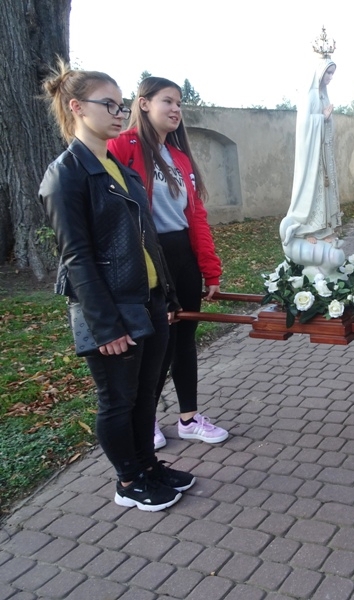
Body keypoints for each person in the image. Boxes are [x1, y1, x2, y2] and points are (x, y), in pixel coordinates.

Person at [39, 60, 195, 511]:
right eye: (108, 104)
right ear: (76, 107)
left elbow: (147, 242)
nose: (119, 112)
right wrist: (105, 326)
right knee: (118, 400)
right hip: (111, 308)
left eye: (121, 104)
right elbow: (76, 258)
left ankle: (148, 466)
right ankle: (128, 481)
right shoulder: (66, 174)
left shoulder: (120, 170)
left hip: (148, 301)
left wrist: (167, 296)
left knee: (146, 395)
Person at [108, 77, 228, 448]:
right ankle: (147, 421)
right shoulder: (122, 146)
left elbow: (196, 217)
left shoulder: (178, 157)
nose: (176, 109)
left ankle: (189, 418)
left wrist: (209, 269)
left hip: (182, 258)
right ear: (144, 103)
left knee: (184, 341)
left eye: (179, 103)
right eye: (168, 101)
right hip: (147, 257)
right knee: (156, 344)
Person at [279, 58, 345, 277]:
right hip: (312, 158)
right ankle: (309, 229)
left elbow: (326, 123)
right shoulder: (310, 95)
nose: (330, 78)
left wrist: (327, 120)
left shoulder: (324, 95)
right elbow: (305, 124)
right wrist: (321, 118)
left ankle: (324, 230)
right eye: (328, 73)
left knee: (325, 193)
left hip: (323, 156)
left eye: (333, 73)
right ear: (319, 73)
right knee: (314, 194)